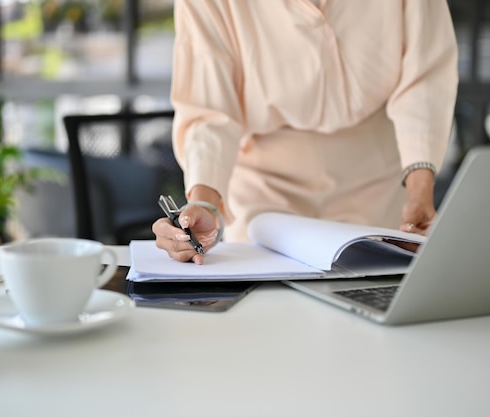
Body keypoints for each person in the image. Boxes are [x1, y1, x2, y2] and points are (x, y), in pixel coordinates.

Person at [153, 0, 459, 264]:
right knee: (273, 316)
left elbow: (425, 80)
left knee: (372, 300)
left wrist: (420, 191)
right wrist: (205, 204)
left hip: (379, 185)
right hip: (265, 193)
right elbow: (209, 110)